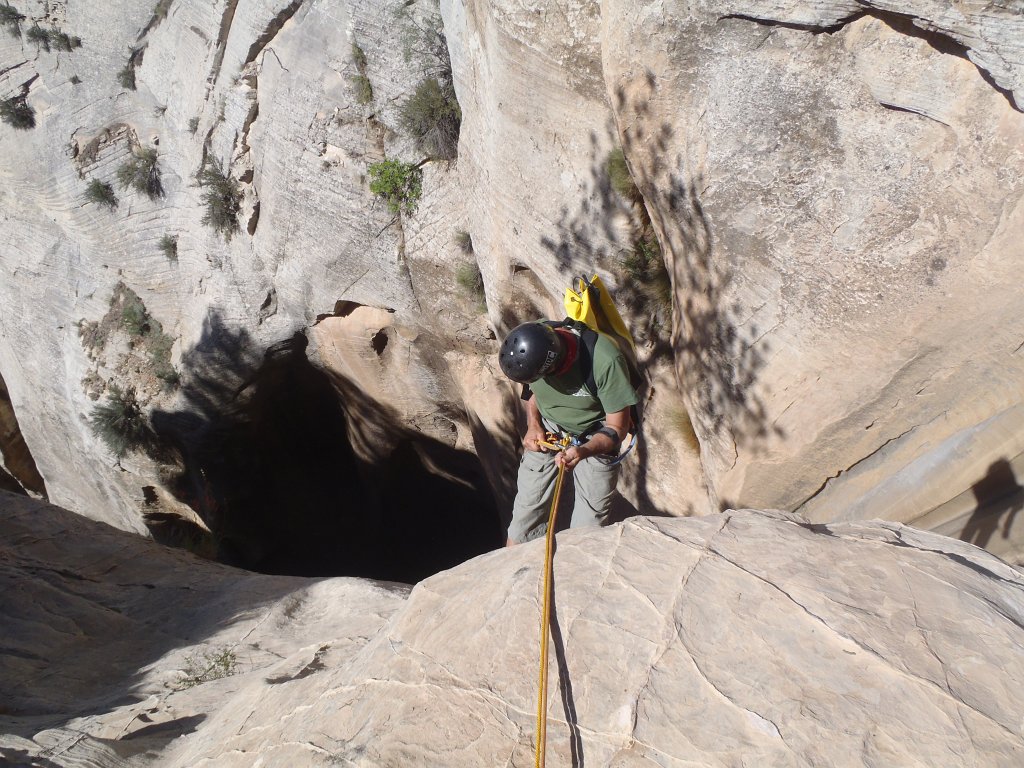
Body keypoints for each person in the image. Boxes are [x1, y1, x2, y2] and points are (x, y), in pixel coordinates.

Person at [499, 320, 639, 545]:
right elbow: (532, 392)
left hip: (595, 435)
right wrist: (533, 425)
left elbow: (617, 428)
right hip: (549, 430)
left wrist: (583, 451)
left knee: (586, 532)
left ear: (554, 365)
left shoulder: (604, 361)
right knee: (522, 523)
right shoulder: (537, 339)